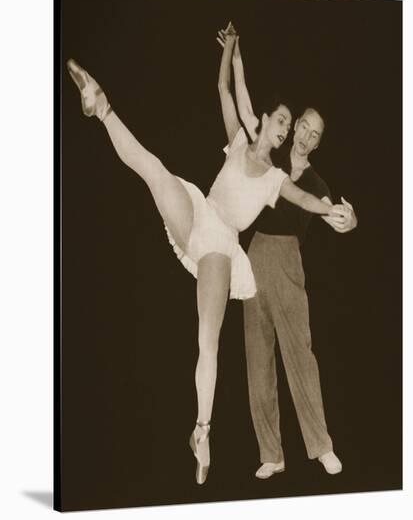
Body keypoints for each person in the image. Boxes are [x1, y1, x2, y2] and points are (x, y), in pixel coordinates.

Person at [66, 29, 345, 484]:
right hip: (198, 211)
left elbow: (306, 200)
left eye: (287, 125)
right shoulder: (238, 139)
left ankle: (201, 431)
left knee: (208, 338)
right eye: (280, 119)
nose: (282, 128)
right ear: (268, 119)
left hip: (220, 245)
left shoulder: (276, 179)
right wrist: (232, 51)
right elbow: (226, 88)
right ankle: (101, 106)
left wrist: (332, 208)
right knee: (155, 170)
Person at [218, 27, 357, 479]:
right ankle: (272, 454)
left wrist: (349, 217)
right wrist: (236, 57)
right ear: (292, 127)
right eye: (304, 128)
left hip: (289, 262)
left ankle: (320, 447)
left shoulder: (316, 184)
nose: (307, 137)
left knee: (300, 353)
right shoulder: (271, 153)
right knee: (258, 358)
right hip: (254, 255)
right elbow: (242, 100)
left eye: (316, 136)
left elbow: (332, 214)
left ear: (316, 143)